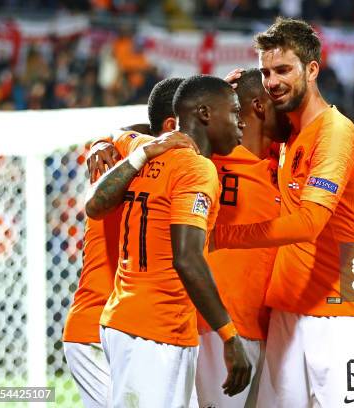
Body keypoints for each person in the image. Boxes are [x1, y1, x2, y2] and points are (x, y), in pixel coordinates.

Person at [211, 18, 354, 407]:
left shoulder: (335, 133)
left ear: (312, 69)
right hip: (288, 310)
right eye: (267, 71)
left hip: (341, 314)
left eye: (283, 70)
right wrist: (222, 98)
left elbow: (309, 222)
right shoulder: (287, 134)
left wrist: (223, 236)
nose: (272, 81)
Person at [84, 75, 252, 407]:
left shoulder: (147, 150)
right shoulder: (196, 169)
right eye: (234, 112)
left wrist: (108, 143)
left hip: (127, 320)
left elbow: (119, 136)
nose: (240, 123)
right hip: (155, 333)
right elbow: (187, 258)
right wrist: (230, 337)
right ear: (204, 113)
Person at [62, 77, 187, 408]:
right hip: (105, 330)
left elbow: (126, 132)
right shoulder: (159, 167)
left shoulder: (126, 155)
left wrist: (105, 140)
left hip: (118, 329)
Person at [195, 68, 288, 408]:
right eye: (281, 102)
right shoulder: (207, 160)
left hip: (267, 331)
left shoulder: (281, 167)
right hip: (217, 330)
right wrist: (114, 139)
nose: (291, 110)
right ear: (260, 106)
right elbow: (160, 124)